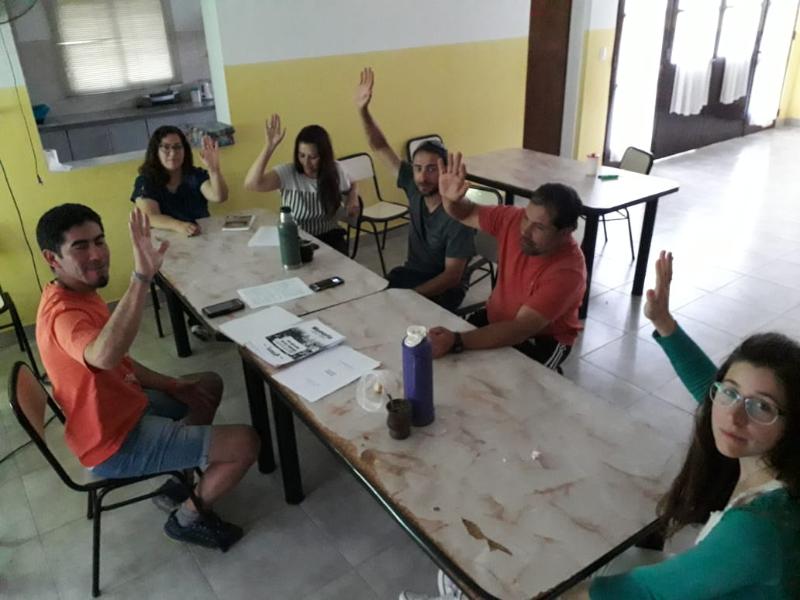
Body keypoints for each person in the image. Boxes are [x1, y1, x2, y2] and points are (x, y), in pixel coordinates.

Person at [402, 251, 800, 599]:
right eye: (730, 393)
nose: (733, 415)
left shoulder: (757, 530)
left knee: (538, 569)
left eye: (761, 407)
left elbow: (644, 594)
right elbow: (709, 389)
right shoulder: (772, 467)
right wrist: (664, 323)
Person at [35, 203, 259, 551]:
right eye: (80, 247)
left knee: (206, 384)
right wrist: (140, 279)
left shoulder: (79, 291)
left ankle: (179, 479)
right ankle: (186, 520)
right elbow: (104, 356)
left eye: (99, 241)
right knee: (246, 443)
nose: (96, 255)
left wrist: (172, 384)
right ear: (52, 258)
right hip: (112, 442)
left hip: (125, 408)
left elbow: (120, 362)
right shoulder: (64, 315)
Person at [426, 152, 586, 371]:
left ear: (566, 232)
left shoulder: (568, 272)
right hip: (497, 316)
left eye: (539, 227)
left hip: (542, 339)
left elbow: (520, 328)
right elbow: (466, 213)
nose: (525, 231)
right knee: (446, 361)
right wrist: (450, 200)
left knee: (512, 384)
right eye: (526, 218)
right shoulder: (513, 218)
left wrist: (457, 340)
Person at [354, 67, 475, 312]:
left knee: (397, 311)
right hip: (412, 274)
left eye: (431, 169)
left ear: (444, 170)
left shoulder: (459, 213)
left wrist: (412, 297)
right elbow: (380, 146)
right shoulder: (414, 185)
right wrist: (363, 111)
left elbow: (452, 277)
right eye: (418, 168)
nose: (422, 176)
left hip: (445, 289)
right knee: (370, 302)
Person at [244, 115, 358, 255]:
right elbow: (251, 184)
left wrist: (353, 196)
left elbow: (352, 183)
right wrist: (269, 147)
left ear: (324, 155)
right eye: (301, 155)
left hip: (330, 236)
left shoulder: (336, 170)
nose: (306, 163)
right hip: (297, 239)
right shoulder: (287, 173)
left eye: (313, 157)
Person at [131, 125, 229, 237]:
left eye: (177, 147)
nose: (173, 153)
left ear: (184, 150)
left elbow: (219, 197)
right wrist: (178, 225)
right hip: (167, 240)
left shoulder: (194, 174)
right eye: (166, 147)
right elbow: (149, 217)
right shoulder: (146, 181)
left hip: (202, 236)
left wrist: (214, 170)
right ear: (156, 151)